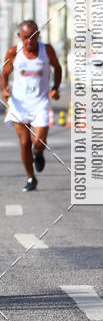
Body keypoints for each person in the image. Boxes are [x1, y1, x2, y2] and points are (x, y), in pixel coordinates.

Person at [1, 20, 62, 192]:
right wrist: (4, 90)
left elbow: (58, 68)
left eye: (33, 36)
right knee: (24, 142)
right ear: (20, 36)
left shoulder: (47, 50)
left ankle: (39, 152)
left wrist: (55, 88)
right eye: (26, 37)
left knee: (38, 142)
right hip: (19, 103)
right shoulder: (13, 52)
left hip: (40, 102)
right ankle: (31, 177)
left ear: (38, 35)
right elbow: (4, 74)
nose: (30, 40)